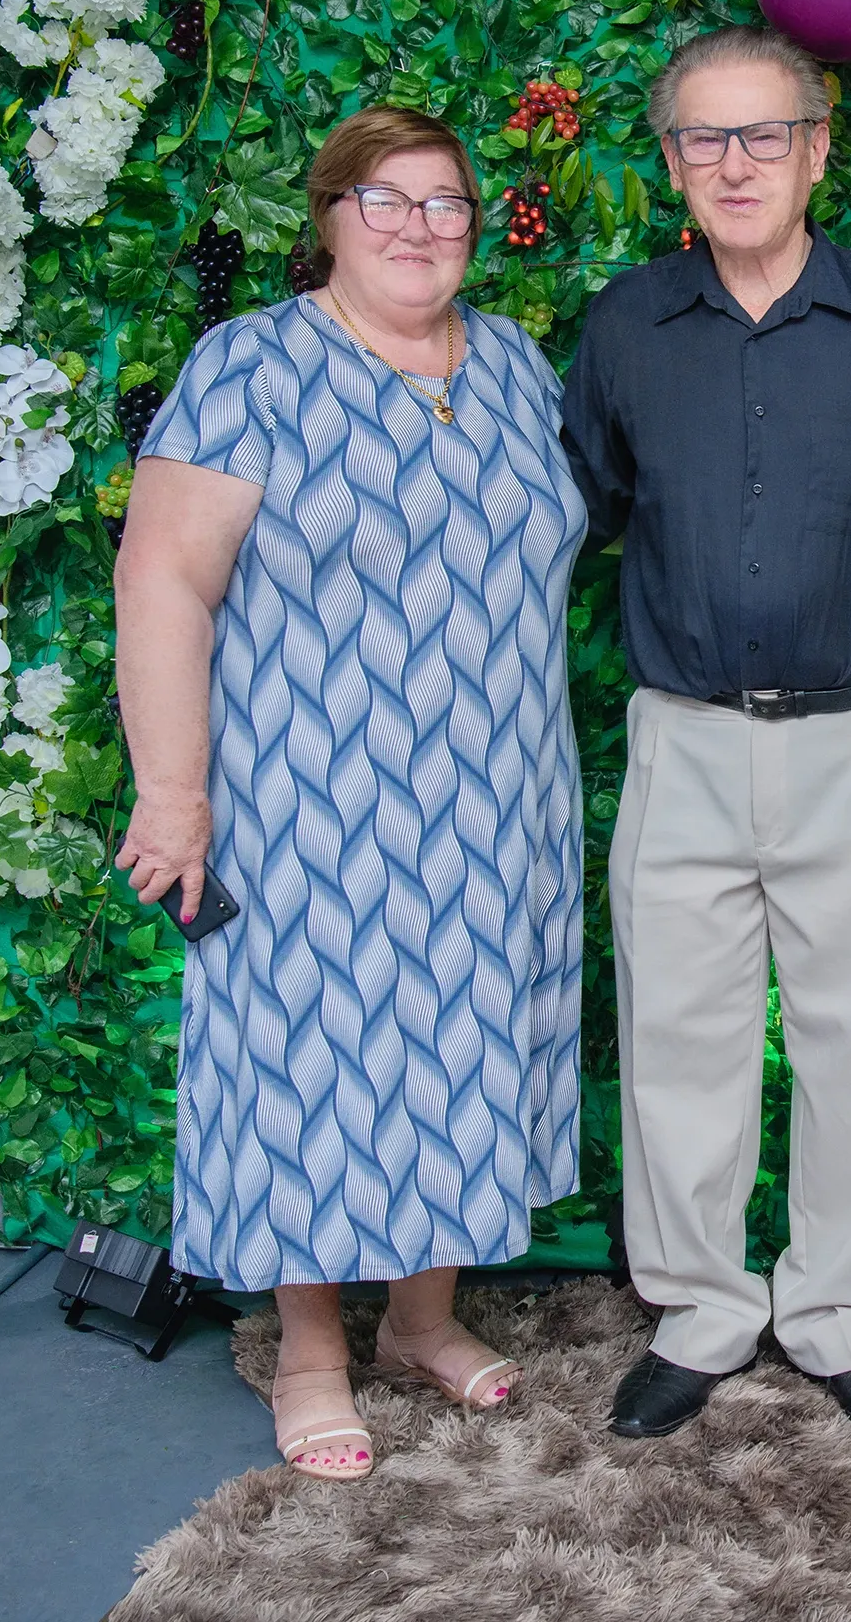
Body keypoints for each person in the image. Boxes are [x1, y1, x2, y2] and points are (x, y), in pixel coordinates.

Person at [559, 24, 851, 1442]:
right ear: (671, 164)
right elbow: (584, 515)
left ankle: (834, 1305)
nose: (735, 162)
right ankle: (699, 1305)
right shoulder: (624, 327)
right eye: (704, 137)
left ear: (817, 150)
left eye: (765, 133)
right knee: (676, 1034)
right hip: (683, 735)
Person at [115, 105, 589, 1481]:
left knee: (465, 1040)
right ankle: (312, 1349)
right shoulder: (251, 365)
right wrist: (172, 793)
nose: (416, 226)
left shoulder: (513, 363)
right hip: (311, 793)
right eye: (384, 199)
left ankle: (421, 1320)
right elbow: (163, 578)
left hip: (499, 796)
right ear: (329, 216)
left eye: (445, 202)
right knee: (312, 1059)